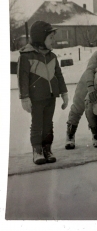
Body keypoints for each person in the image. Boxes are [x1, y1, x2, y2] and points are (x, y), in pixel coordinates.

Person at [17, 21, 69, 165]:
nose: (54, 41)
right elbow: (22, 78)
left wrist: (64, 93)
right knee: (37, 125)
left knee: (48, 125)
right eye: (50, 38)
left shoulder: (52, 56)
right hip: (36, 99)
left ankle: (47, 148)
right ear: (40, 38)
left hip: (51, 97)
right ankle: (37, 150)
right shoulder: (26, 56)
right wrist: (24, 98)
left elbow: (59, 75)